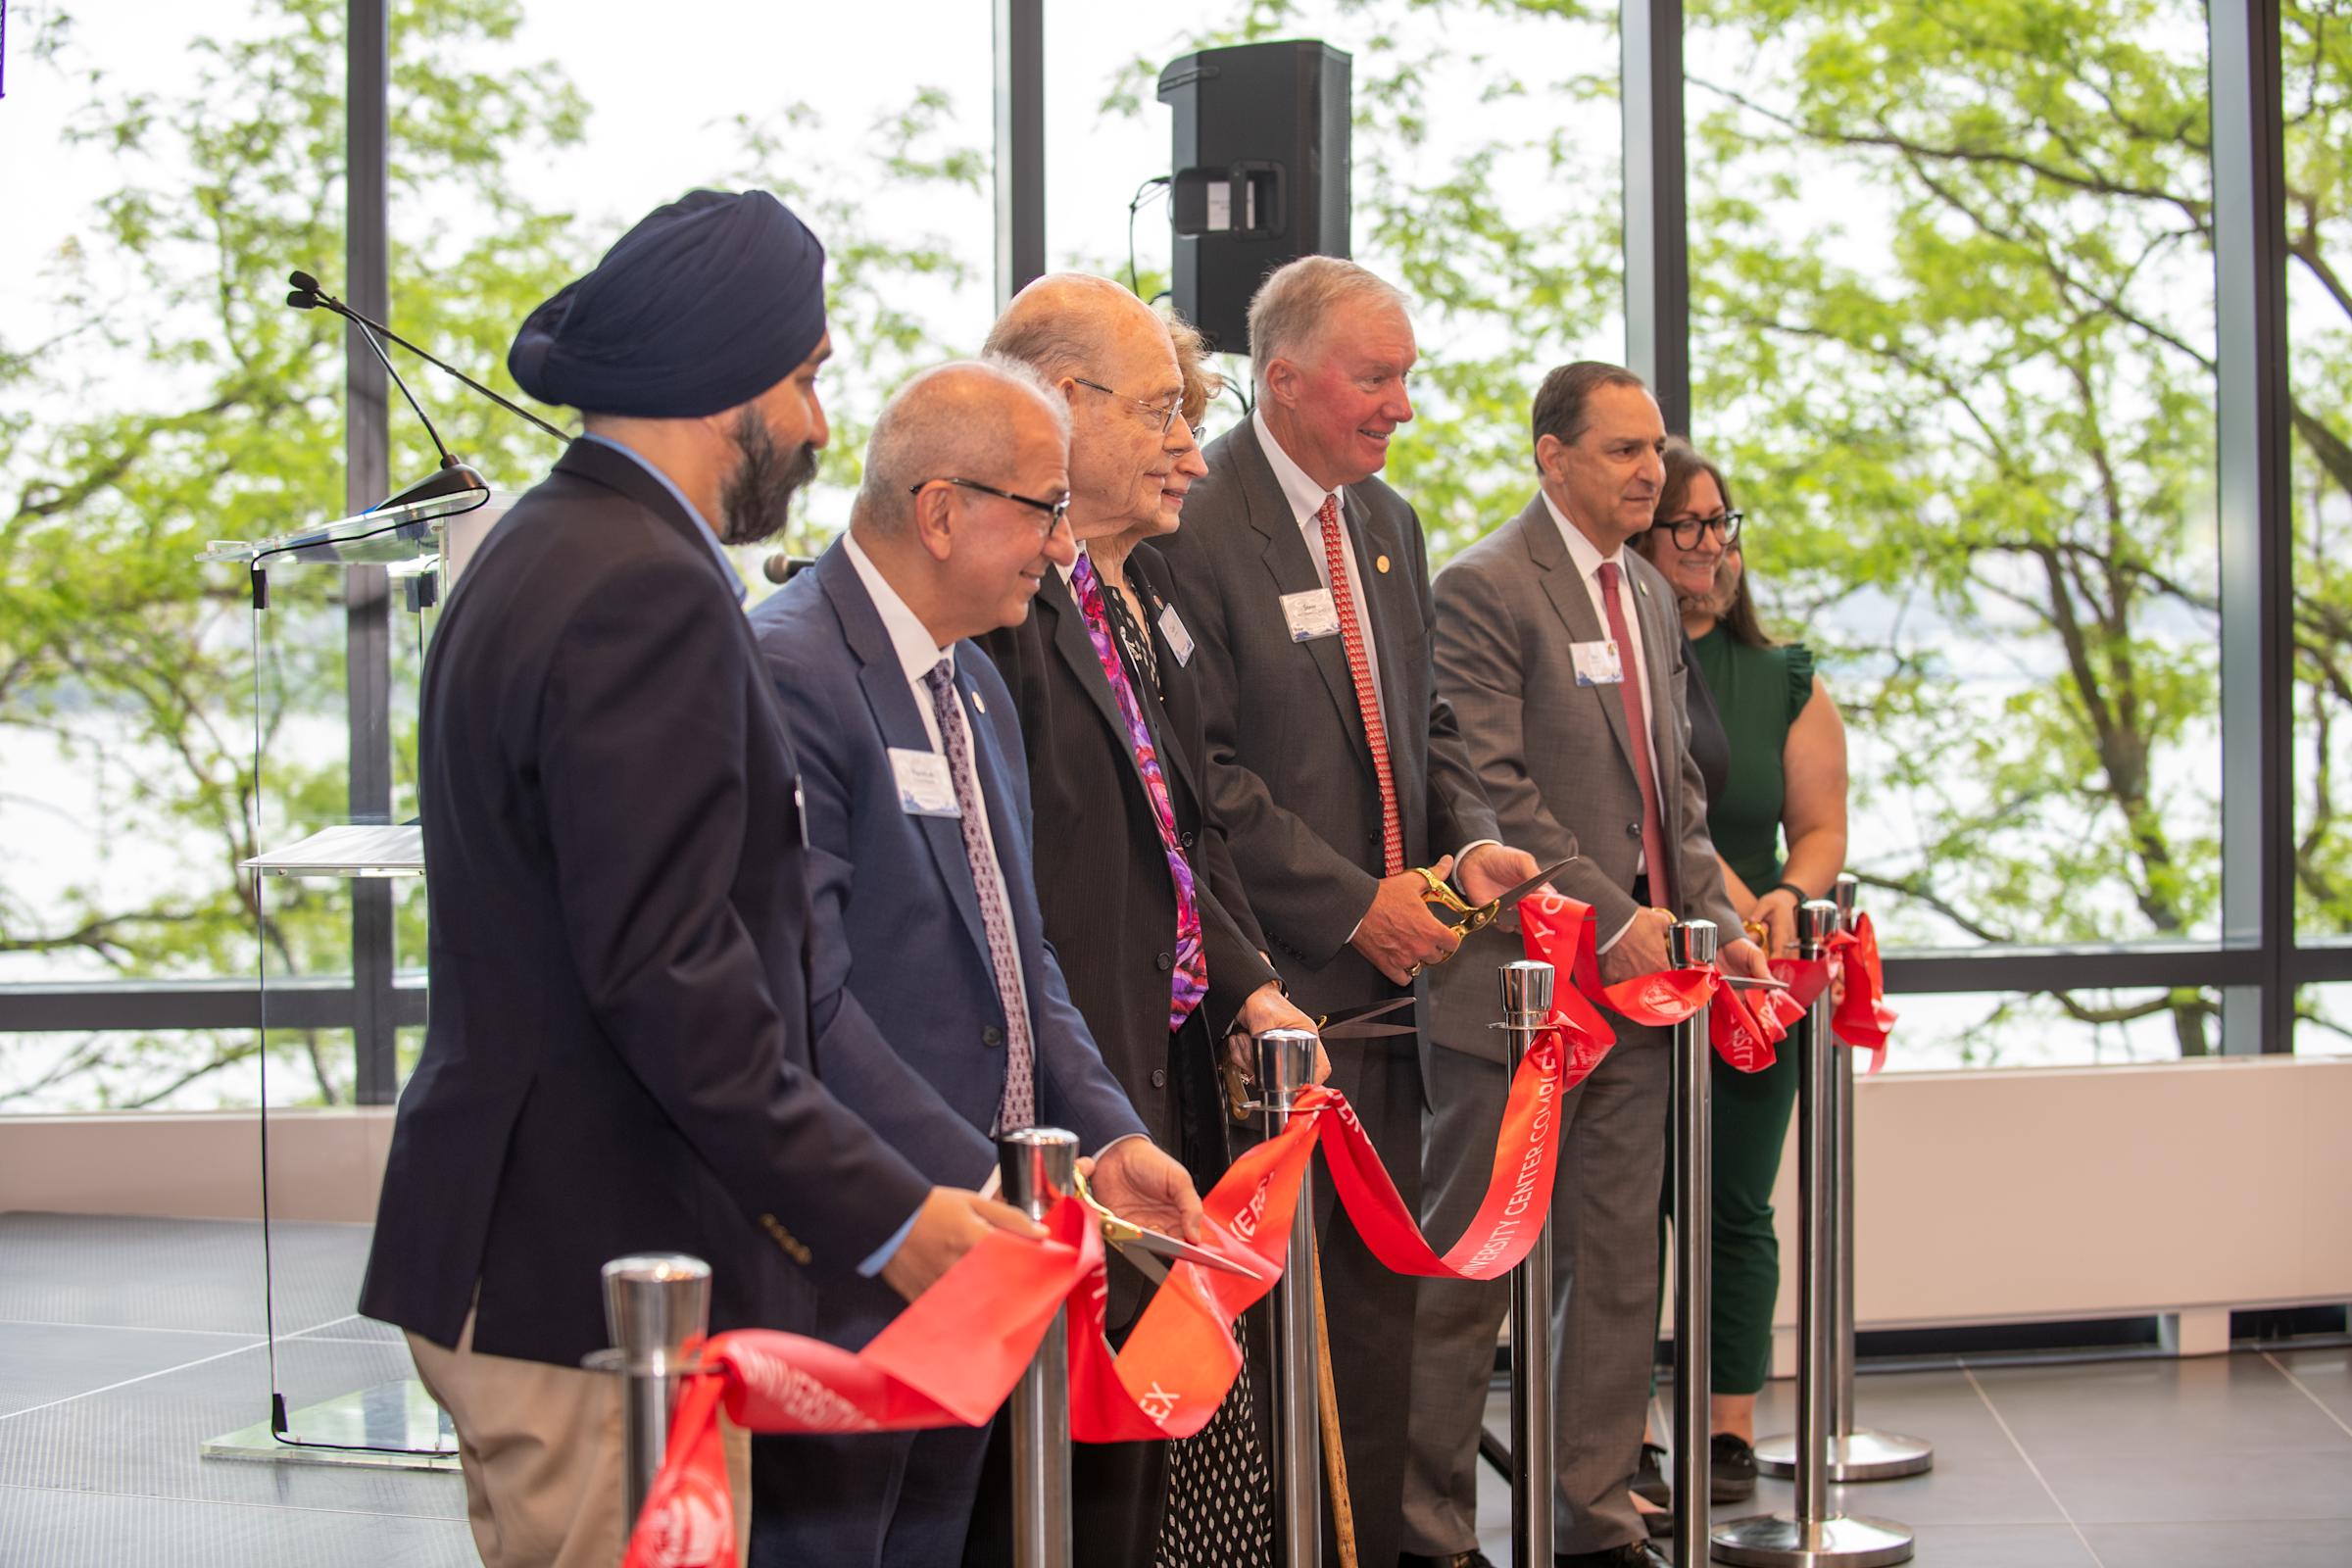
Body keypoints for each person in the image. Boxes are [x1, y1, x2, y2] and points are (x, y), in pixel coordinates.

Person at [359, 190, 1032, 1568]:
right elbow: (672, 977)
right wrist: (892, 1212)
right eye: (803, 378)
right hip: (585, 1277)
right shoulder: (641, 586)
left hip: (530, 1260)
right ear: (724, 380)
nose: (817, 426)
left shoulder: (544, 549)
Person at [745, 357, 1208, 1567]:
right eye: (1043, 509)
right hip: (861, 1240)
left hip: (978, 1246)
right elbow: (809, 999)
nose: (1063, 546)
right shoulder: (786, 673)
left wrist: (1104, 1141)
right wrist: (979, 1188)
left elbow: (1019, 956)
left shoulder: (979, 691)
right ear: (942, 510)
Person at [1156, 256, 1541, 1568]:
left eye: (1404, 377)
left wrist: (1470, 845)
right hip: (1273, 1012)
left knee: (1378, 1332)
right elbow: (1199, 778)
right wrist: (1351, 905)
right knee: (1280, 1355)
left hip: (1403, 1001)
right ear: (1285, 380)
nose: (1404, 406)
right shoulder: (1193, 522)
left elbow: (1425, 726)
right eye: (1377, 378)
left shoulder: (1387, 520)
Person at [974, 279, 1324, 1566]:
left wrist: (1243, 986)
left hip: (1157, 1065)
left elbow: (1191, 827)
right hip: (1057, 1096)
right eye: (1165, 413)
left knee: (1140, 1434)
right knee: (1055, 1467)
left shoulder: (1142, 598)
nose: (1192, 446)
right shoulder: (1004, 611)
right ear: (1063, 408)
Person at [1398, 363, 1770, 1568]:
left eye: (1653, 449)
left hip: (1642, 1000)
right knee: (1468, 1279)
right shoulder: (1481, 586)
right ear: (1550, 457)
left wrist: (1717, 908)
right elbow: (1489, 791)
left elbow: (1678, 796)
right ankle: (1430, 1531)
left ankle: (1594, 1522)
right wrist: (1619, 920)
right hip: (1516, 997)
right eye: (1621, 450)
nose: (1650, 473)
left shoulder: (1652, 598)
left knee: (1616, 1274)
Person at [1632, 436, 1849, 1497]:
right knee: (1627, 1207)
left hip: (1759, 975)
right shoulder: (1617, 658)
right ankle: (1617, 1426)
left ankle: (1725, 1427)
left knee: (1734, 1205)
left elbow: (1820, 827)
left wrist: (1790, 896)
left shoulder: (1782, 675)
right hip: (1631, 966)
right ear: (1640, 530)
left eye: (1723, 523)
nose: (1710, 544)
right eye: (1688, 523)